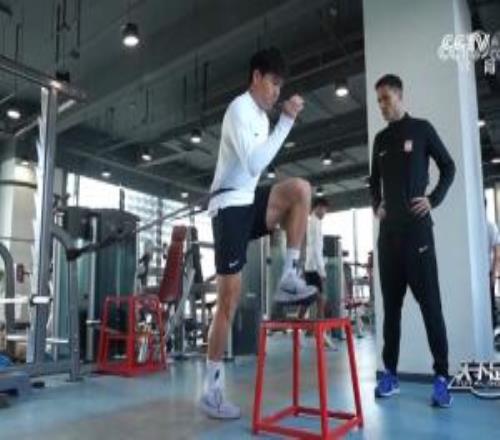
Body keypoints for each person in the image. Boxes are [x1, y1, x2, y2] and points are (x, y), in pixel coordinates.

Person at [199, 47, 317, 419]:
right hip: (228, 207)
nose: (276, 92)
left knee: (300, 190)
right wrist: (286, 123)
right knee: (229, 300)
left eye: (281, 86)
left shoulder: (264, 120)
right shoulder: (239, 109)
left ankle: (289, 276)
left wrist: (280, 124)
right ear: (256, 77)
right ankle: (211, 390)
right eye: (272, 83)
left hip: (249, 200)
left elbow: (256, 169)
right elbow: (253, 163)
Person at [369, 74, 456, 408]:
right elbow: (373, 181)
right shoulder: (380, 140)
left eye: (386, 98)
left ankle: (441, 378)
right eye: (378, 100)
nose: (382, 105)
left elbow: (448, 166)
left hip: (418, 235)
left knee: (431, 306)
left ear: (400, 95)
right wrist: (376, 204)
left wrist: (433, 199)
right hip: (389, 238)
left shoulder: (422, 130)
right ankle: (390, 375)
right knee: (391, 311)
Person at [297, 197, 337, 349]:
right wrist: (322, 271)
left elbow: (314, 249)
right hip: (314, 268)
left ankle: (304, 333)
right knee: (320, 300)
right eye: (325, 209)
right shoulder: (314, 223)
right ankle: (320, 334)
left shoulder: (314, 222)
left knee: (309, 301)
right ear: (318, 207)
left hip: (311, 267)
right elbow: (314, 249)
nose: (325, 212)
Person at [485, 199, 499, 329]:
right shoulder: (491, 226)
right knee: (489, 306)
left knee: (488, 306)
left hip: (486, 272)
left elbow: (497, 254)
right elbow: (497, 254)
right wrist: (494, 274)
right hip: (487, 272)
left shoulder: (489, 227)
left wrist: (494, 274)